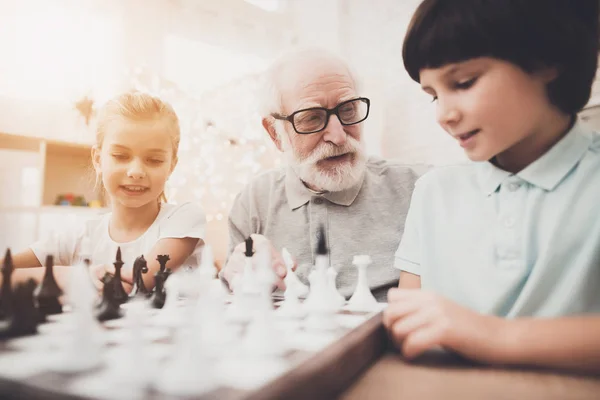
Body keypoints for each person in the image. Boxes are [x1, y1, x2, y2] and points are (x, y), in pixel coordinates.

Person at [383, 0, 600, 373]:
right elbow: (408, 323)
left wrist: (495, 337)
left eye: (463, 83)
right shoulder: (434, 191)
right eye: (434, 95)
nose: (444, 115)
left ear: (546, 60)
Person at [221, 48, 423, 300]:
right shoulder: (254, 202)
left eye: (348, 110)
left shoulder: (417, 189)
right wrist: (240, 275)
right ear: (275, 133)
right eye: (312, 118)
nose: (338, 136)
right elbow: (234, 302)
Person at [0, 91, 206, 291]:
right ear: (98, 160)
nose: (136, 172)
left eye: (154, 160)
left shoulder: (185, 219)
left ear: (171, 165)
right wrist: (71, 276)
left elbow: (135, 283)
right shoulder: (78, 237)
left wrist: (66, 276)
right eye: (121, 156)